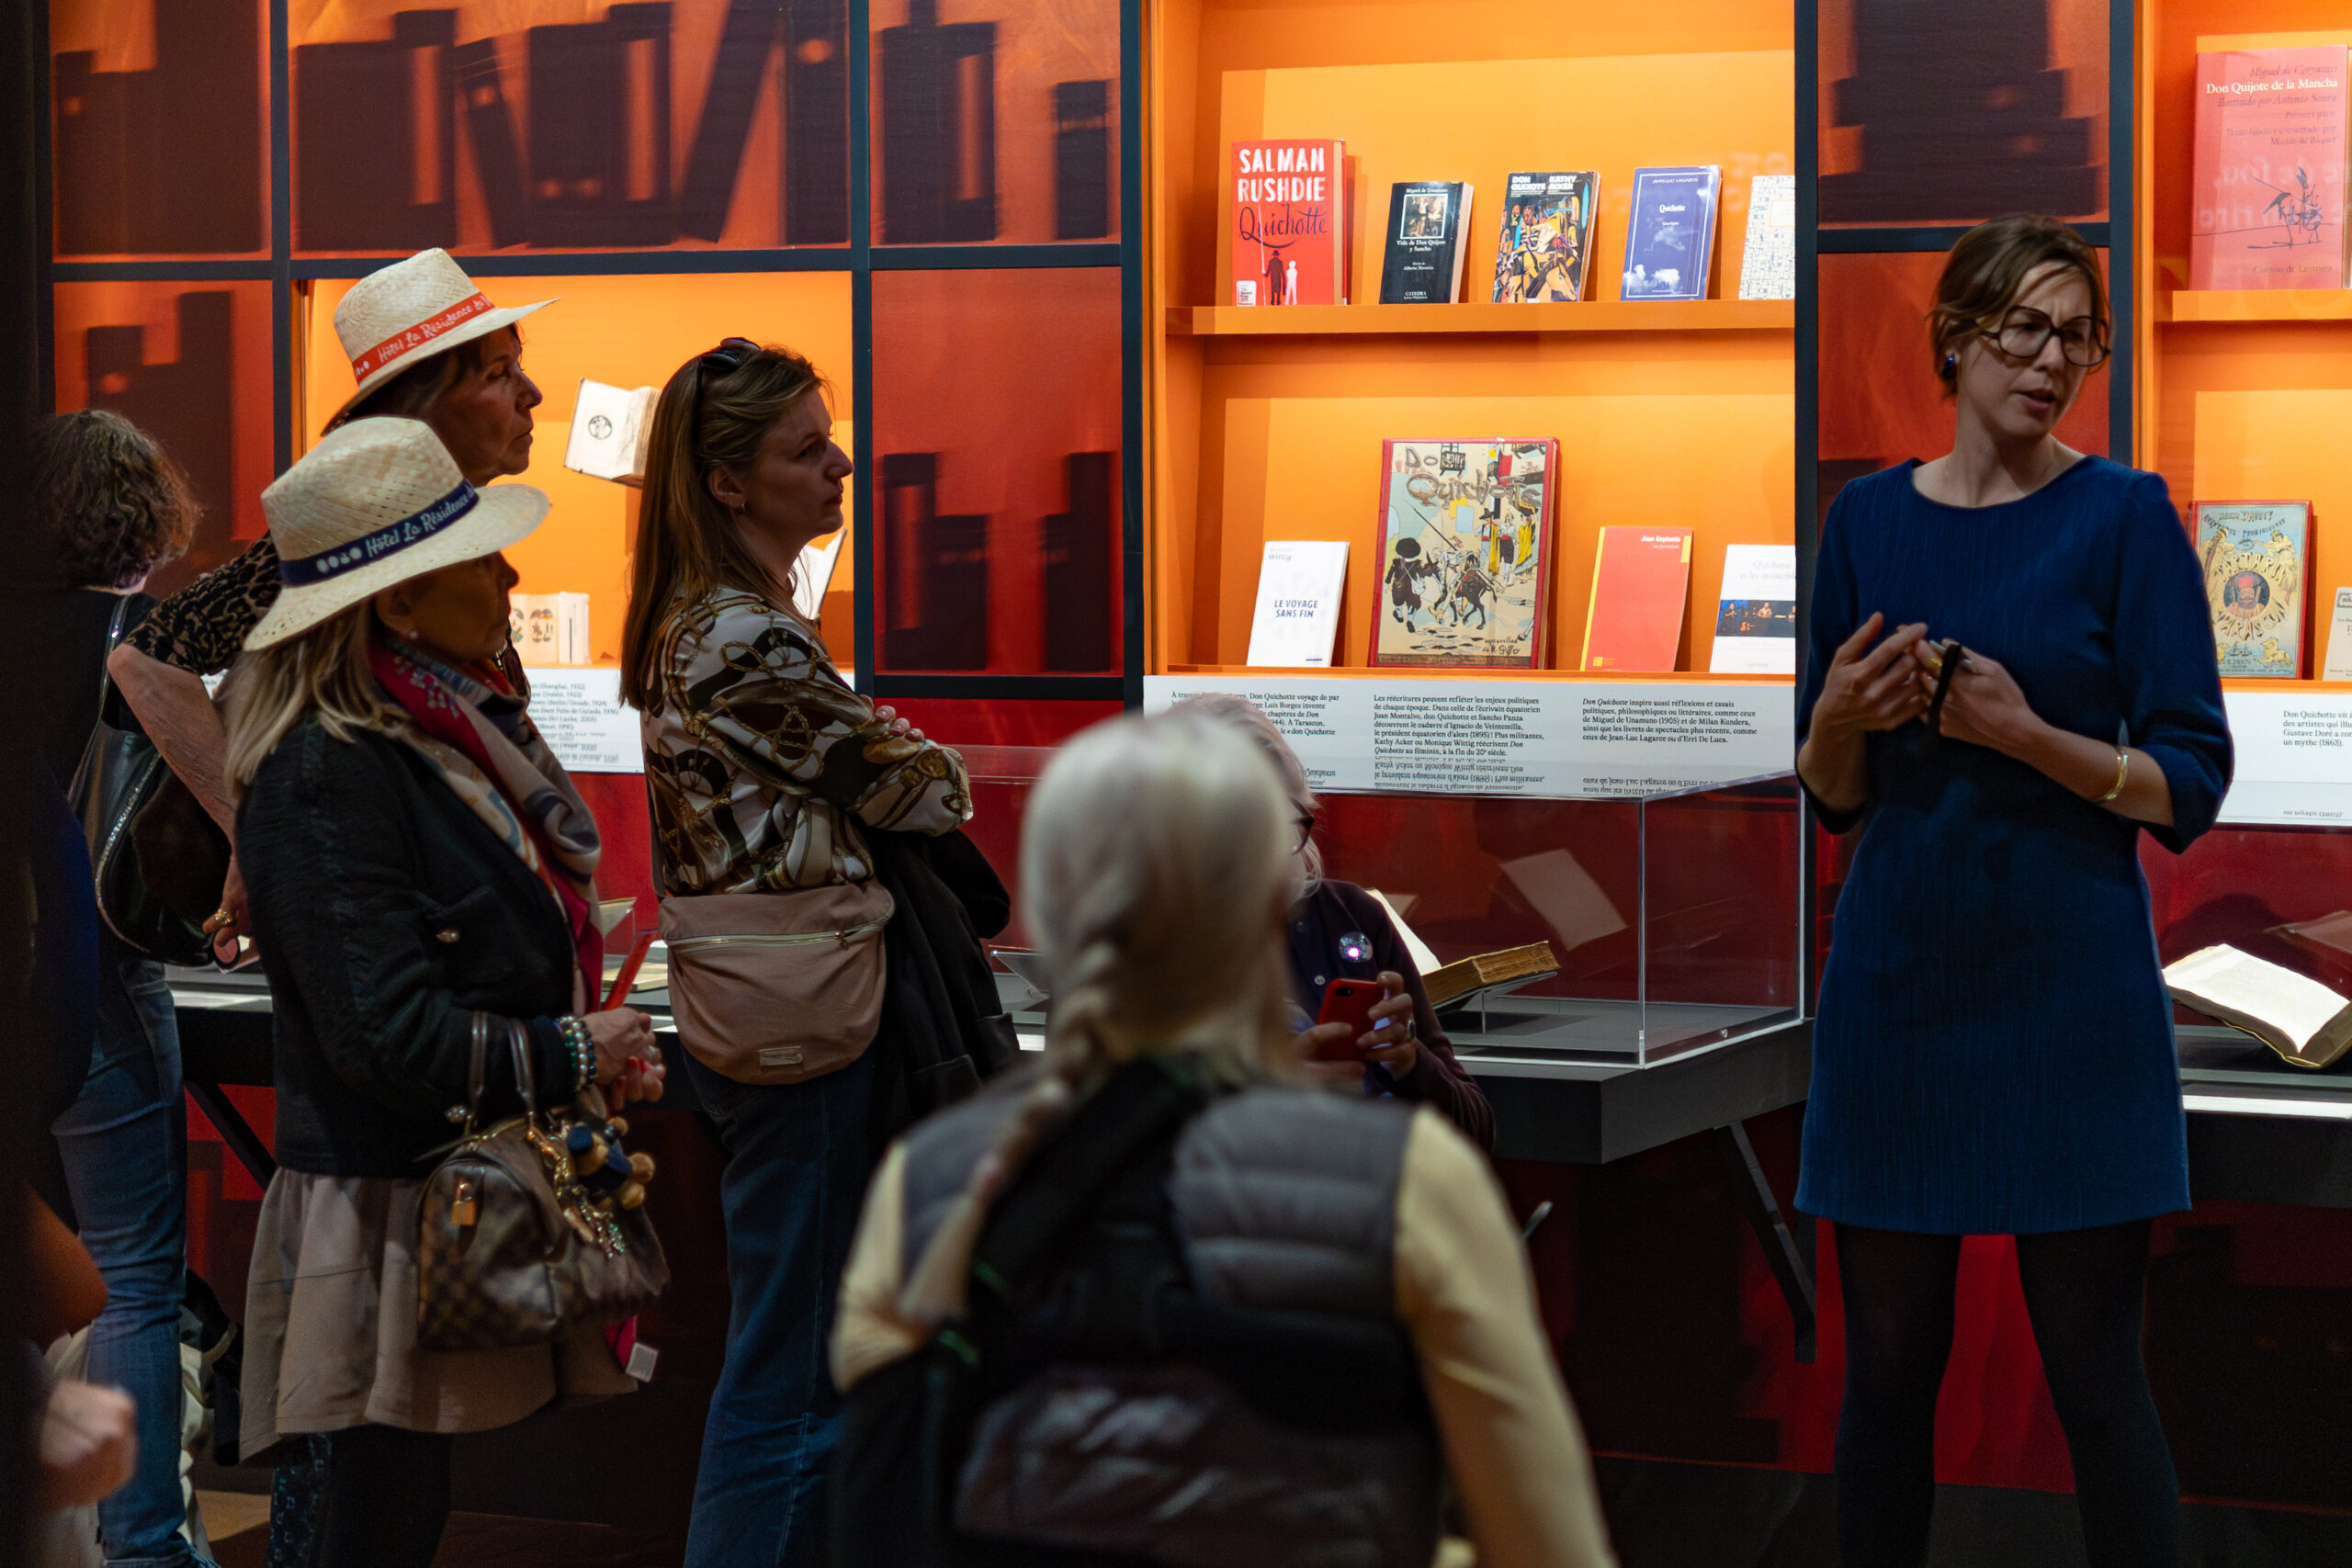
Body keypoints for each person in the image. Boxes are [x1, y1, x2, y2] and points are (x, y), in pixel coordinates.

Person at [830, 711, 1615, 1568]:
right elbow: (1548, 1543)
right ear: (1264, 893)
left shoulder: (925, 1181)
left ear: (1055, 910)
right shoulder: (1413, 1186)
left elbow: (880, 1507)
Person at [1795, 213, 2232, 1568]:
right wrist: (1839, 717)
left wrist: (2024, 734)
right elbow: (1832, 792)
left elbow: (2192, 776)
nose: (2053, 363)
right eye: (2026, 330)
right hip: (1899, 987)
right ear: (1955, 337)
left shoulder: (2125, 517)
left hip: (2071, 994)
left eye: (2078, 340)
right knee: (1887, 1373)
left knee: (2097, 1377)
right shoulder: (1865, 521)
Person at [221, 418, 662, 1568]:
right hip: (380, 1210)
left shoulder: (436, 740)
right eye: (479, 558)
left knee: (396, 1510)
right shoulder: (328, 770)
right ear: (401, 604)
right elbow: (383, 1035)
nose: (508, 578)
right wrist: (575, 1050)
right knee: (370, 1516)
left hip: (423, 1196)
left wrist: (585, 1045)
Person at [621, 339, 980, 1568]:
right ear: (728, 482)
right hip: (805, 1021)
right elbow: (923, 786)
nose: (839, 466)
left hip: (780, 1006)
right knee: (793, 1369)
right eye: (805, 449)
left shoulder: (718, 621)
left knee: (803, 1352)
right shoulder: (739, 636)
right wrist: (917, 754)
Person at [107, 247, 552, 968]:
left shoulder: (437, 524)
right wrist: (250, 832)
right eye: (499, 373)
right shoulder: (352, 527)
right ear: (421, 404)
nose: (531, 393)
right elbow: (144, 661)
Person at [27, 410, 209, 1568]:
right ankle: (145, 1543)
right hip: (99, 970)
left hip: (18, 974)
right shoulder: (139, 643)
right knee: (135, 1270)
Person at [1183, 693, 1494, 1149]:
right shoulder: (1146, 942)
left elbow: (1476, 1130)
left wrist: (1409, 1062)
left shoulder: (1352, 915)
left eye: (1278, 823)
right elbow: (1117, 1158)